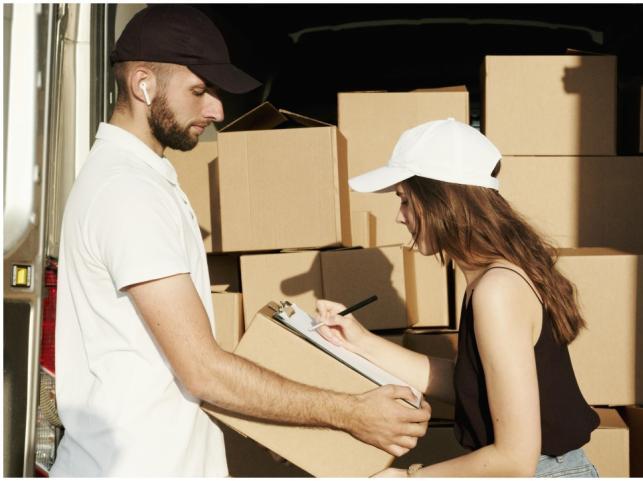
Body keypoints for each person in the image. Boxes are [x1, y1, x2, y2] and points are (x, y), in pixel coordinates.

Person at [52, 5, 429, 477]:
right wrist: (351, 413)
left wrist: (285, 413)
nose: (216, 110)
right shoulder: (128, 192)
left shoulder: (144, 181)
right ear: (142, 84)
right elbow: (202, 370)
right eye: (199, 90)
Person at [315, 118, 601, 477]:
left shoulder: (497, 291)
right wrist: (359, 341)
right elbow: (470, 383)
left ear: (441, 200)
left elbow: (515, 460)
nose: (399, 217)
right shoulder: (491, 280)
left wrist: (408, 478)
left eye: (404, 200)